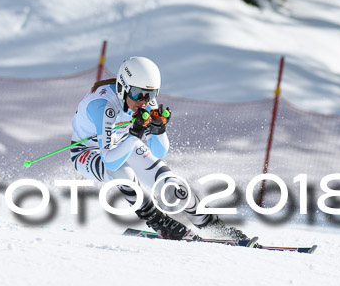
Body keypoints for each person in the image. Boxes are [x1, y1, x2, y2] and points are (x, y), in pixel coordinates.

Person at [70, 56, 248, 241]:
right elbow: (110, 160)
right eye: (138, 93)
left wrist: (158, 129)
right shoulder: (103, 106)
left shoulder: (145, 102)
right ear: (123, 87)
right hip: (88, 151)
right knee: (123, 174)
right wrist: (135, 134)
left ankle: (215, 227)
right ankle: (160, 223)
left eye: (152, 94)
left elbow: (159, 152)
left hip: (125, 142)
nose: (144, 101)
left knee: (175, 187)